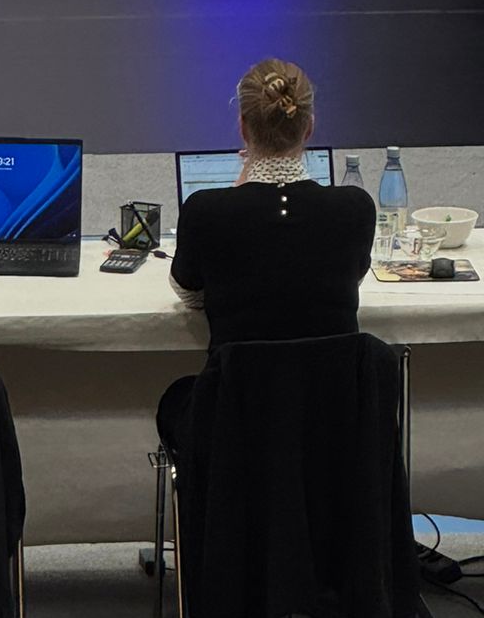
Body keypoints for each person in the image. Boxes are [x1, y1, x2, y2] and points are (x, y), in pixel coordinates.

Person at [158, 57, 376, 448]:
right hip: (334, 430)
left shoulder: (206, 211)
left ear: (243, 127)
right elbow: (344, 279)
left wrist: (240, 189)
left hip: (237, 428)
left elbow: (189, 293)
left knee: (176, 400)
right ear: (309, 127)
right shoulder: (355, 208)